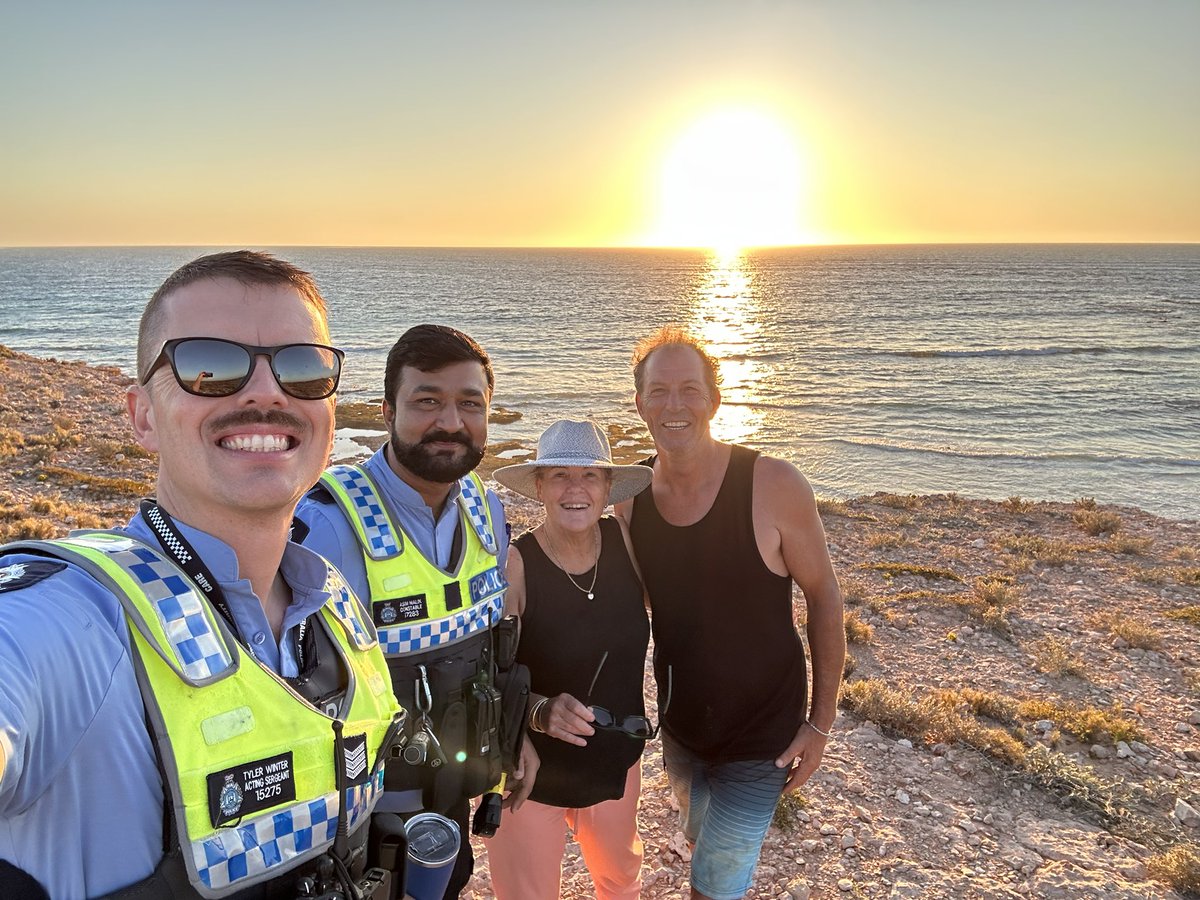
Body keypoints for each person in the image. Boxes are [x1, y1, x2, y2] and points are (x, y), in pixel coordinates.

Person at [0, 251, 405, 899]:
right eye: (208, 366)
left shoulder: (333, 605)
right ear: (142, 416)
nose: (267, 393)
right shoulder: (75, 621)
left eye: (302, 368)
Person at [295, 324, 534, 899]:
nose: (451, 422)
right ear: (386, 410)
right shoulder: (326, 524)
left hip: (451, 801)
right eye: (427, 401)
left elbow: (488, 646)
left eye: (470, 404)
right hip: (355, 824)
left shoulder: (486, 509)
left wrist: (515, 733)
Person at [616, 325, 846, 900]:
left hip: (764, 729)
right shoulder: (628, 503)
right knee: (700, 841)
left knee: (719, 877)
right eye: (659, 391)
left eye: (691, 389)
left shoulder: (773, 484)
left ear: (715, 399)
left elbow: (824, 597)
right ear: (640, 402)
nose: (675, 405)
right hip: (683, 723)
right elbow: (629, 606)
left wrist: (819, 723)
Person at [486, 420, 654, 900]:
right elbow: (482, 669)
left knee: (621, 881)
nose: (575, 488)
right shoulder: (514, 564)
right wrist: (536, 714)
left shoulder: (626, 541)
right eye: (559, 475)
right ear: (539, 486)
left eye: (590, 475)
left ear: (607, 488)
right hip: (530, 769)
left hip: (617, 755)